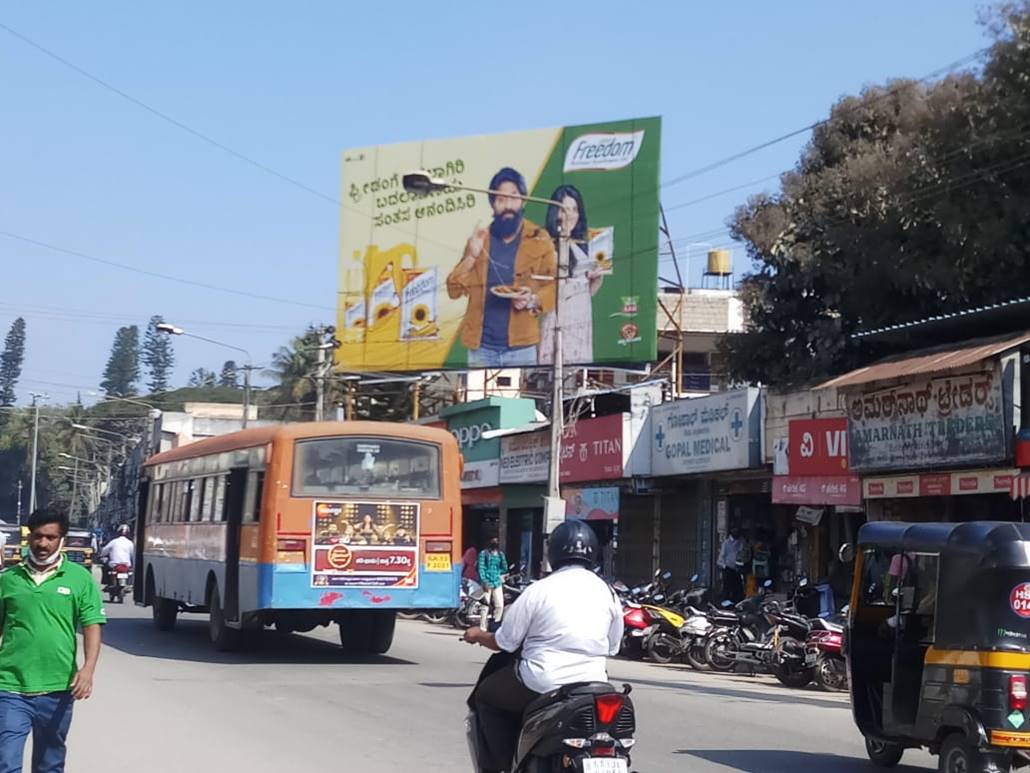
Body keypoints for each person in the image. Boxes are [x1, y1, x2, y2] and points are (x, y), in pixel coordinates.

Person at [463, 519, 623, 772]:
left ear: (554, 552)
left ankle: (499, 767)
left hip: (542, 681)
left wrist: (477, 634)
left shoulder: (540, 589)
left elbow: (505, 641)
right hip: (593, 683)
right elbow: (613, 646)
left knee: (487, 697)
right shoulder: (608, 592)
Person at [0, 508, 106, 772]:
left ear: (62, 540)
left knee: (50, 764)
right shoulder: (9, 580)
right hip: (10, 687)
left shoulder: (79, 578)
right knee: (6, 762)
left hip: (58, 688)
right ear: (28, 538)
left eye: (50, 537)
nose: (43, 543)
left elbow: (92, 624)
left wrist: (88, 670)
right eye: (37, 537)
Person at [447, 167, 557, 367]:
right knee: (479, 399)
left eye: (513, 198)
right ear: (493, 205)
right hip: (481, 348)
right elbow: (453, 289)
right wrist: (471, 255)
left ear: (523, 201)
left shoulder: (540, 238)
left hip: (522, 349)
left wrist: (532, 300)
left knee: (523, 399)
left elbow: (555, 285)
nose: (507, 205)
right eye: (500, 199)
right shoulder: (480, 239)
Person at [539, 185, 604, 365]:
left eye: (574, 209)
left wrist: (595, 277)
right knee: (558, 369)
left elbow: (590, 291)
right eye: (565, 209)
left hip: (581, 317)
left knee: (578, 371)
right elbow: (549, 288)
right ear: (556, 213)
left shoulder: (581, 244)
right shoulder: (546, 243)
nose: (570, 215)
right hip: (559, 319)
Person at [477, 538, 508, 631]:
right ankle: (482, 628)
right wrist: (484, 581)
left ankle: (495, 626)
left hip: (497, 582)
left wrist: (499, 573)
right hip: (487, 582)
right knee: (485, 606)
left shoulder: (500, 554)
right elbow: (481, 568)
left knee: (500, 605)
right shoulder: (484, 553)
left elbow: (504, 567)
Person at [717, 527, 744, 603]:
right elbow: (721, 557)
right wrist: (724, 566)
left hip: (737, 569)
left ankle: (734, 604)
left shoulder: (740, 542)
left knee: (737, 588)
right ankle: (725, 605)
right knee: (727, 588)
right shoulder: (726, 543)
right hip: (728, 569)